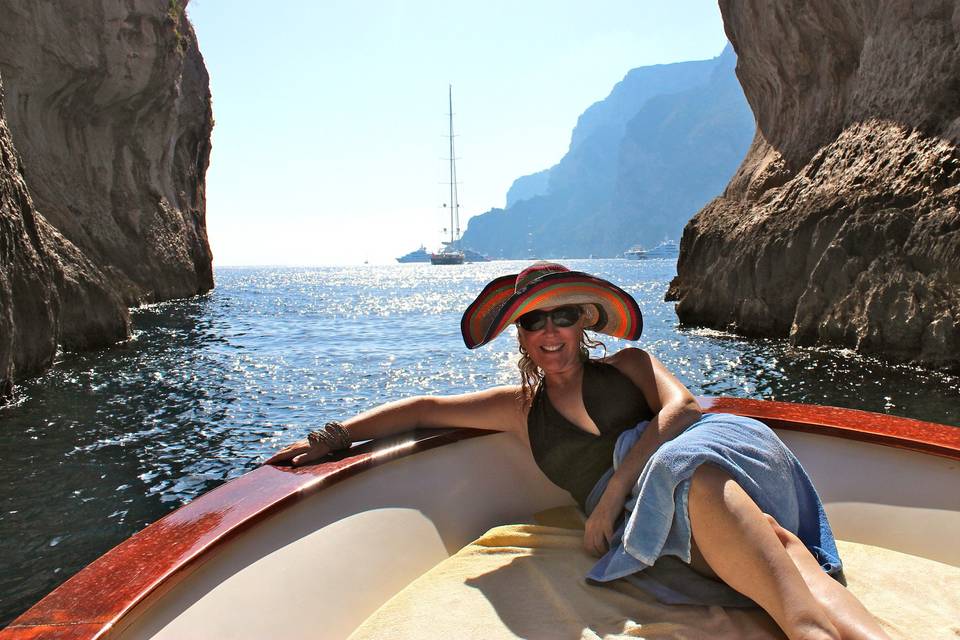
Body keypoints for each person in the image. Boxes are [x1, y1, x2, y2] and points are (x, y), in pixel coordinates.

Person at [266, 262, 889, 640]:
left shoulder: (633, 365)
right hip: (676, 512)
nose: (548, 333)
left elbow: (687, 411)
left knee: (707, 492)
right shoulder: (518, 410)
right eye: (533, 323)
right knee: (789, 562)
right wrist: (334, 437)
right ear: (521, 335)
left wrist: (613, 492)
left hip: (703, 464)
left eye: (561, 317)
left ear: (584, 322)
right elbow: (424, 409)